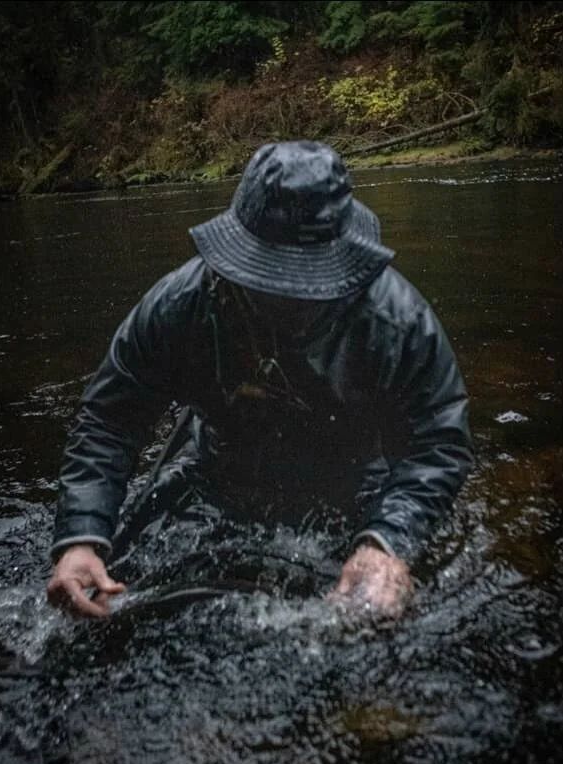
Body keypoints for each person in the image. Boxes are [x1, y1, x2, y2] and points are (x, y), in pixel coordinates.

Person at [47, 140, 474, 619]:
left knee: (376, 612)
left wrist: (386, 540)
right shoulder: (178, 306)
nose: (292, 301)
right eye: (272, 281)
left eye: (310, 283)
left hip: (351, 487)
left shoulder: (397, 321)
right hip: (217, 479)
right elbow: (110, 418)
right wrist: (81, 537)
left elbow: (438, 442)